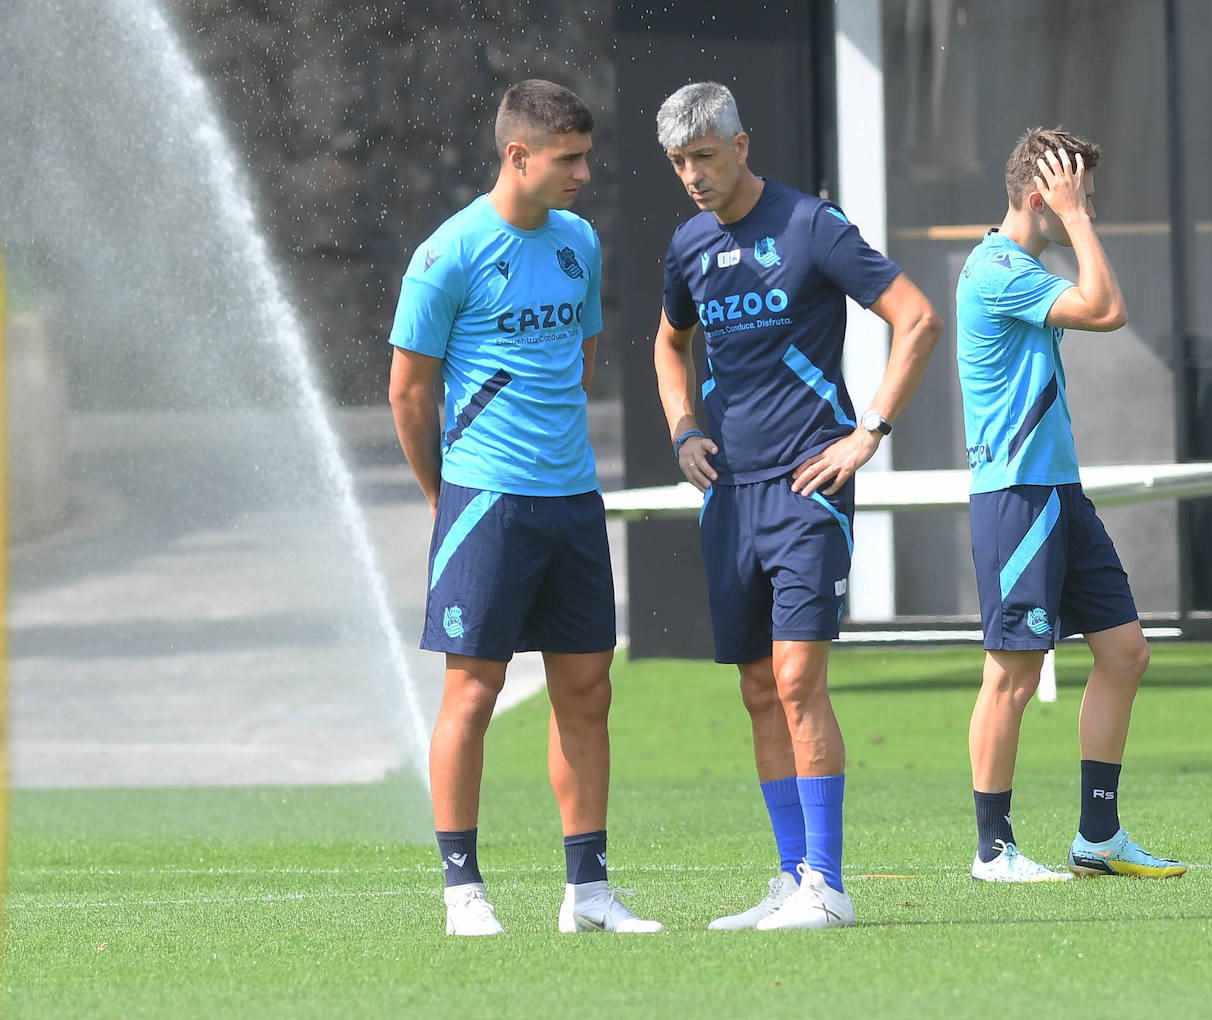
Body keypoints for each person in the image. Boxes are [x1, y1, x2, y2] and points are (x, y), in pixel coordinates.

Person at [652, 82, 943, 929]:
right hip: (728, 497)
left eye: (704, 156)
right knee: (755, 688)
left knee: (796, 680)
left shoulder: (812, 226)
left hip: (808, 490)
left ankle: (830, 886)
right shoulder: (687, 245)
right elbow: (669, 344)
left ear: (741, 145)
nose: (693, 176)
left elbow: (916, 318)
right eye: (678, 163)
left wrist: (868, 433)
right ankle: (790, 879)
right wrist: (681, 431)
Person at [388, 79, 661, 935]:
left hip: (573, 500)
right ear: (519, 155)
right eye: (569, 158)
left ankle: (588, 895)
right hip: (487, 502)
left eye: (585, 155)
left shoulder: (580, 241)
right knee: (472, 693)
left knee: (587, 690)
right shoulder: (449, 253)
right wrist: (445, 494)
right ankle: (463, 891)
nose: (586, 172)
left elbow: (579, 361)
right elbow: (407, 391)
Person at [955, 126, 1186, 882]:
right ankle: (993, 850)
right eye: (1078, 192)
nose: (1088, 205)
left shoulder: (1020, 266)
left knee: (1125, 653)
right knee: (1014, 674)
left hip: (1059, 491)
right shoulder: (996, 269)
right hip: (1017, 495)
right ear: (1040, 196)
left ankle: (1098, 836)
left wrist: (1078, 215)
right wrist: (1079, 220)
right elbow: (1107, 308)